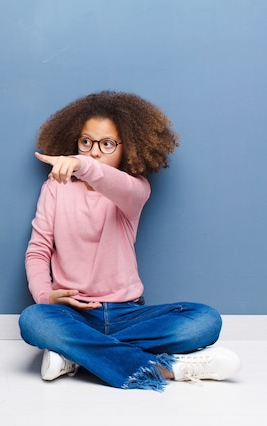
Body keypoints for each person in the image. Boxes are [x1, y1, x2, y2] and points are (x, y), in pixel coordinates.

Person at [18, 91, 240, 391]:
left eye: (107, 144)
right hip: (73, 313)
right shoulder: (55, 188)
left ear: (127, 148)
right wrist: (46, 296)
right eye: (86, 142)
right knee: (34, 320)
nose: (94, 152)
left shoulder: (133, 190)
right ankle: (170, 368)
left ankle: (76, 356)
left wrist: (81, 165)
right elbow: (38, 251)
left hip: (130, 314)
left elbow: (109, 179)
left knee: (205, 320)